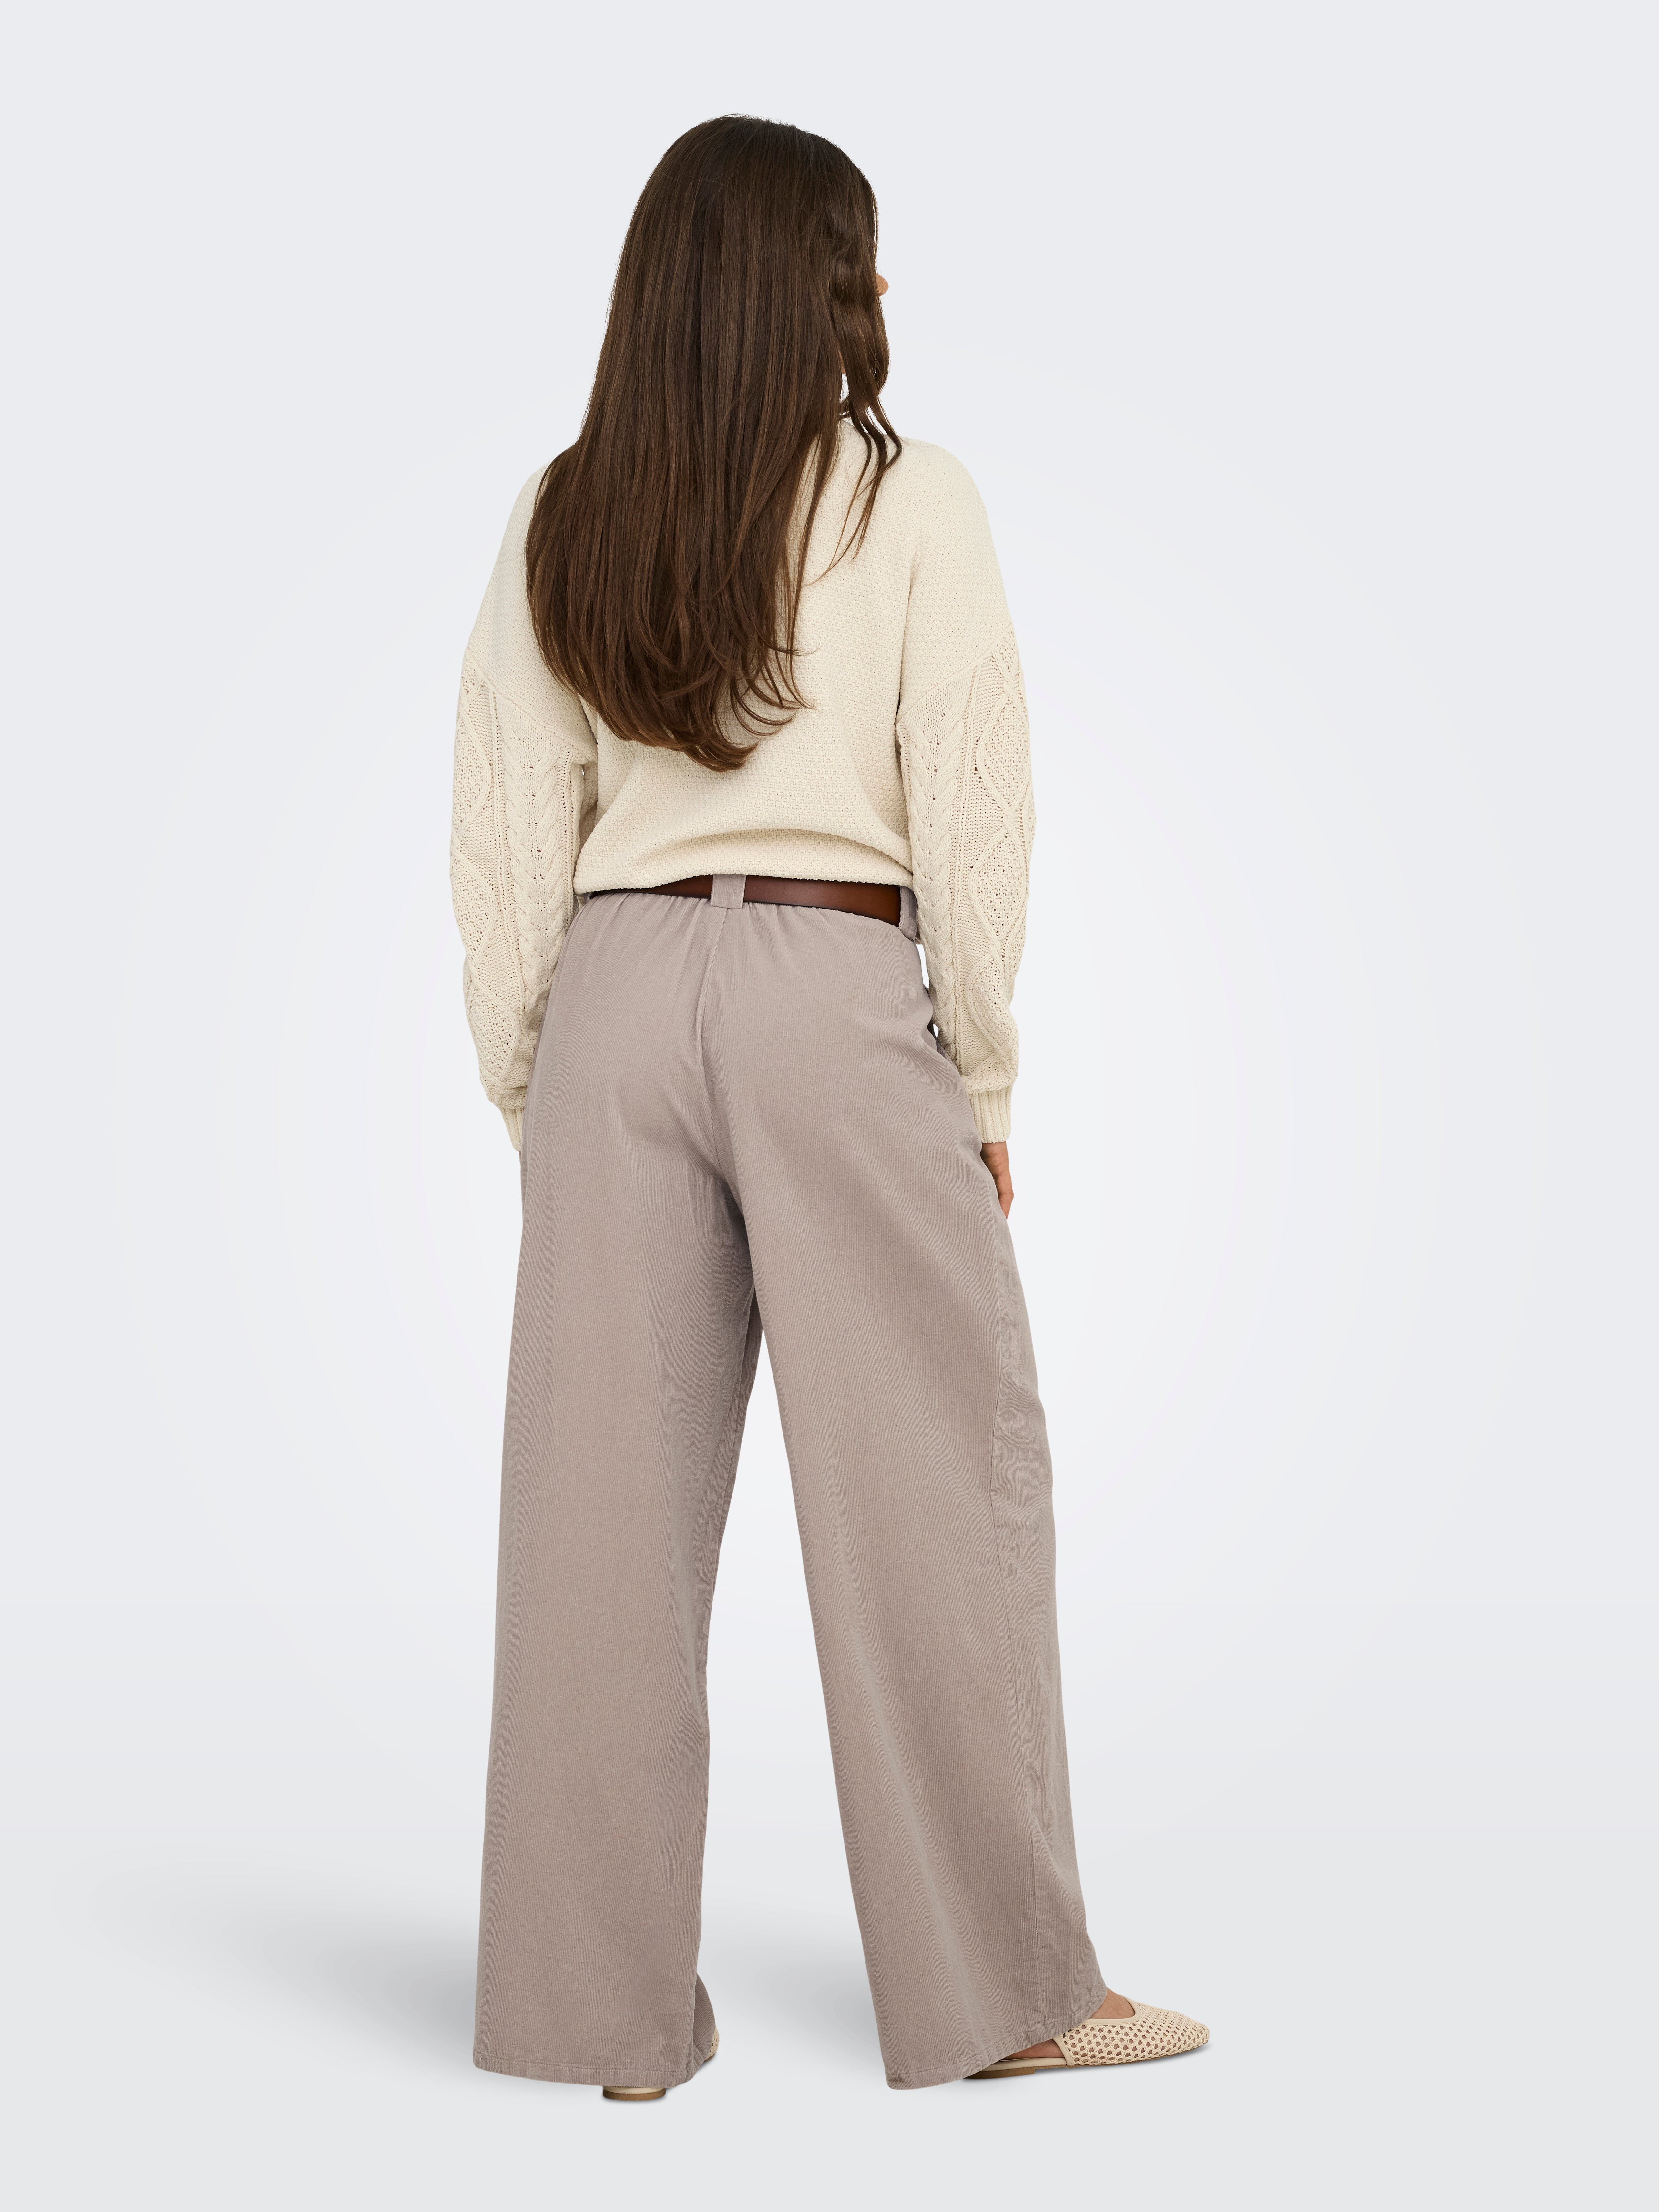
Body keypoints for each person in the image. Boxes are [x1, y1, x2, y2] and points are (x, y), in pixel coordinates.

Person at [449, 113, 1207, 2097]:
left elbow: (507, 822)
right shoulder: (907, 497)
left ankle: (600, 2022)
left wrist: (535, 1071)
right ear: (822, 287)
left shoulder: (564, 512)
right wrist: (980, 1066)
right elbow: (971, 798)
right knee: (939, 1496)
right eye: (862, 257)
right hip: (829, 974)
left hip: (614, 994)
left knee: (595, 1530)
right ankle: (1008, 1998)